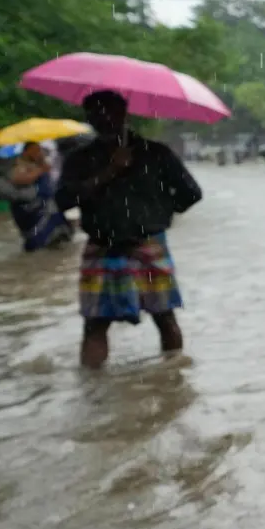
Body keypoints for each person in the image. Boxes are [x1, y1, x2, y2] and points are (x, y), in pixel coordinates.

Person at [56, 90, 202, 369]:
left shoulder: (156, 153)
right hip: (102, 245)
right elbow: (63, 200)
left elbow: (191, 193)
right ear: (88, 118)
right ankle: (93, 390)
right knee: (95, 324)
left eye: (109, 111)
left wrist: (158, 215)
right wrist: (108, 172)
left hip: (146, 243)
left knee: (165, 317)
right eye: (96, 113)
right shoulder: (80, 159)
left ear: (125, 114)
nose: (103, 118)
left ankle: (173, 377)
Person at [4, 142, 74, 251]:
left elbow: (48, 169)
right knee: (36, 239)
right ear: (27, 151)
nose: (38, 152)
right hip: (28, 207)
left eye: (39, 150)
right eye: (35, 150)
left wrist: (41, 160)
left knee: (57, 233)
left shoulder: (40, 162)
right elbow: (18, 179)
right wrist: (38, 172)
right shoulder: (19, 163)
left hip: (45, 205)